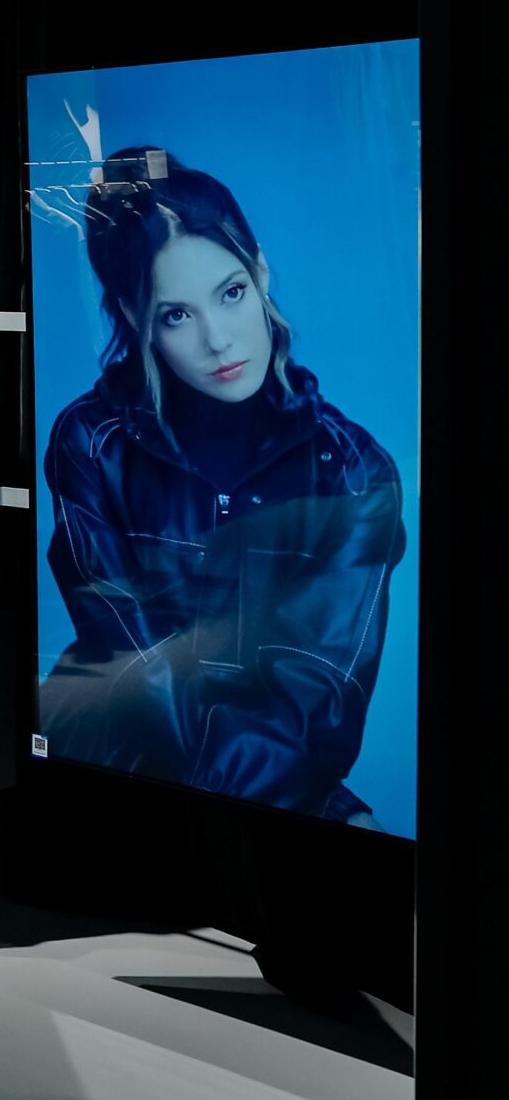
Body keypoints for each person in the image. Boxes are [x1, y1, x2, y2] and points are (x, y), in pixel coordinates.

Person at [37, 148, 403, 824]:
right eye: (176, 314)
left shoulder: (353, 471)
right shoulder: (91, 441)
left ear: (258, 269)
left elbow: (318, 702)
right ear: (135, 316)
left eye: (230, 293)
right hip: (110, 745)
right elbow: (136, 667)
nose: (219, 340)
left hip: (262, 772)